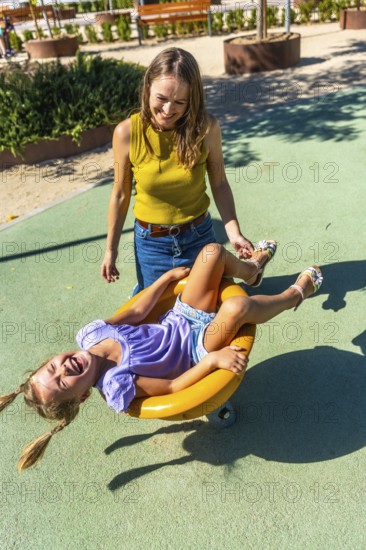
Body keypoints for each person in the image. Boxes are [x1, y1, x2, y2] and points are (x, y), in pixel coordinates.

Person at [0, 241, 323, 470]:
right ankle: (293, 295)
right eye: (64, 381)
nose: (63, 368)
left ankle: (251, 270)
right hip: (197, 350)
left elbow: (137, 311)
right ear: (82, 395)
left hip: (181, 318)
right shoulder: (116, 385)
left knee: (211, 253)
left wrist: (167, 279)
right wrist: (211, 360)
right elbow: (171, 388)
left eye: (52, 366)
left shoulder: (90, 334)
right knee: (238, 307)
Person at [101, 47, 254, 292]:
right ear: (148, 87)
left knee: (213, 313)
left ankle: (253, 271)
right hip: (151, 245)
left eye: (180, 102)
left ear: (191, 100)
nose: (169, 110)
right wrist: (111, 250)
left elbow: (219, 183)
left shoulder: (206, 128)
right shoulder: (126, 133)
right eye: (161, 98)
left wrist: (233, 232)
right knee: (160, 322)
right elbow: (120, 194)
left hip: (199, 238)